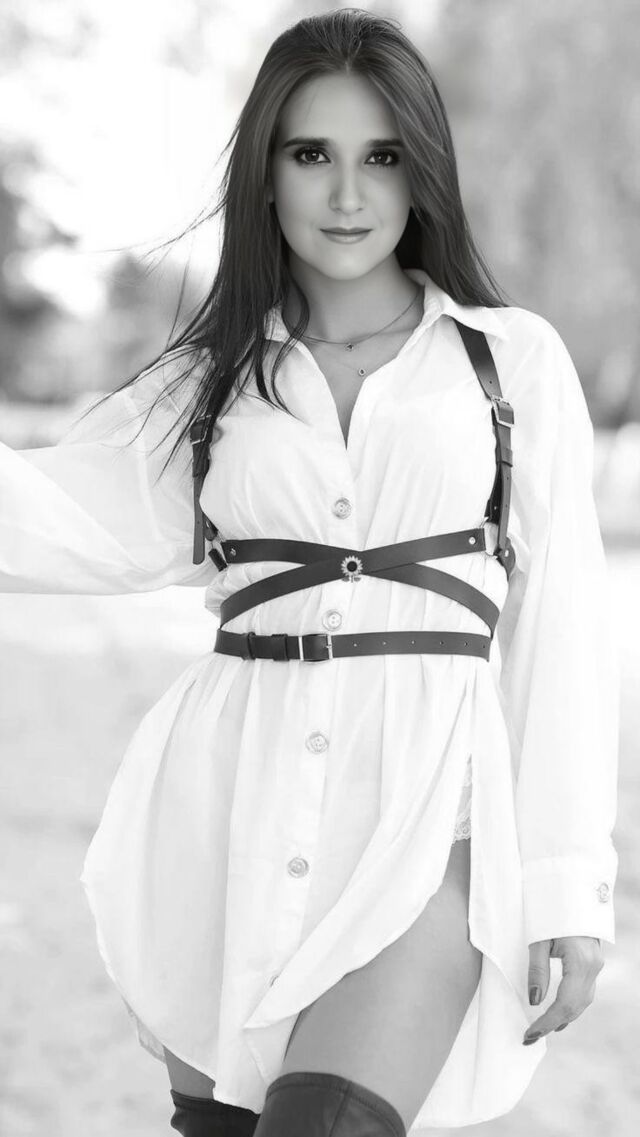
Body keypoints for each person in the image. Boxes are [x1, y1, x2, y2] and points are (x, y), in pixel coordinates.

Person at [0, 9, 619, 1137]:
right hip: (225, 818)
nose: (347, 194)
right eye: (310, 154)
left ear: (422, 169)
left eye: (380, 156)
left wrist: (567, 883)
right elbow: (45, 519)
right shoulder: (208, 383)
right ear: (266, 172)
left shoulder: (509, 362)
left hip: (430, 828)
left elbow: (559, 633)